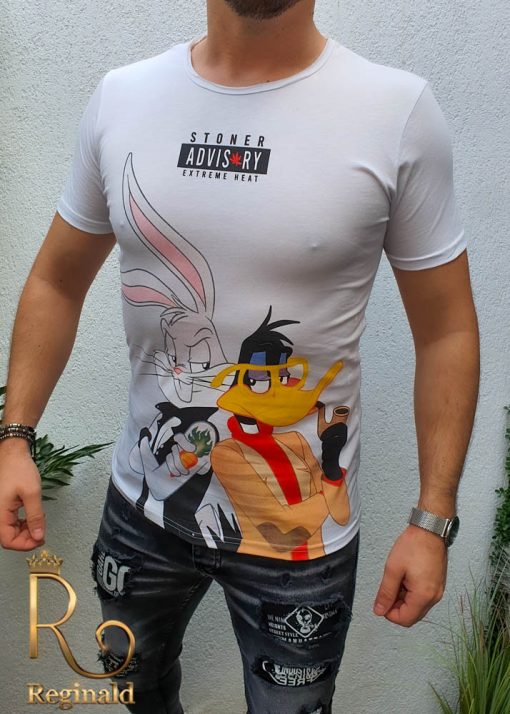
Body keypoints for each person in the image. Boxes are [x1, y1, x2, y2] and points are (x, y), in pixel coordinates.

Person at [0, 1, 480, 713]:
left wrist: (432, 519)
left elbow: (446, 331)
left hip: (301, 543)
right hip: (141, 510)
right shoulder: (123, 97)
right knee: (135, 692)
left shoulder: (396, 111)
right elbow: (56, 280)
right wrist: (15, 437)